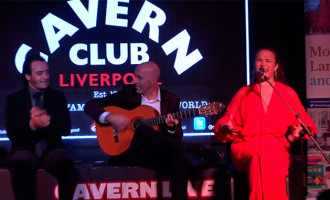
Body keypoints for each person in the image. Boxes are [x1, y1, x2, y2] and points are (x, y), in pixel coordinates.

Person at [213, 48, 317, 200]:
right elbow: (225, 121)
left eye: (268, 61)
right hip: (246, 146)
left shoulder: (286, 93)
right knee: (261, 155)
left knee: (268, 157)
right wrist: (225, 127)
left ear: (275, 67)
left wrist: (298, 132)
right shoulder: (244, 93)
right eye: (259, 60)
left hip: (277, 147)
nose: (263, 63)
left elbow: (307, 125)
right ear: (254, 65)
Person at [84, 61, 189, 200]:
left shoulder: (171, 100)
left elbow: (175, 137)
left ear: (153, 80)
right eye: (135, 76)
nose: (135, 81)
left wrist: (170, 128)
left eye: (139, 78)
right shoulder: (128, 93)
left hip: (158, 154)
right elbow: (90, 105)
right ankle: (196, 149)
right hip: (131, 153)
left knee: (180, 155)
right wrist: (109, 117)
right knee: (142, 130)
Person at [5, 55, 76, 200]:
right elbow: (14, 135)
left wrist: (47, 122)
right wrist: (33, 125)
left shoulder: (57, 96)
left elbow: (66, 129)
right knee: (19, 161)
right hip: (25, 149)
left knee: (65, 161)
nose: (45, 77)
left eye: (47, 72)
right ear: (28, 76)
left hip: (50, 149)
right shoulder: (14, 99)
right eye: (40, 73)